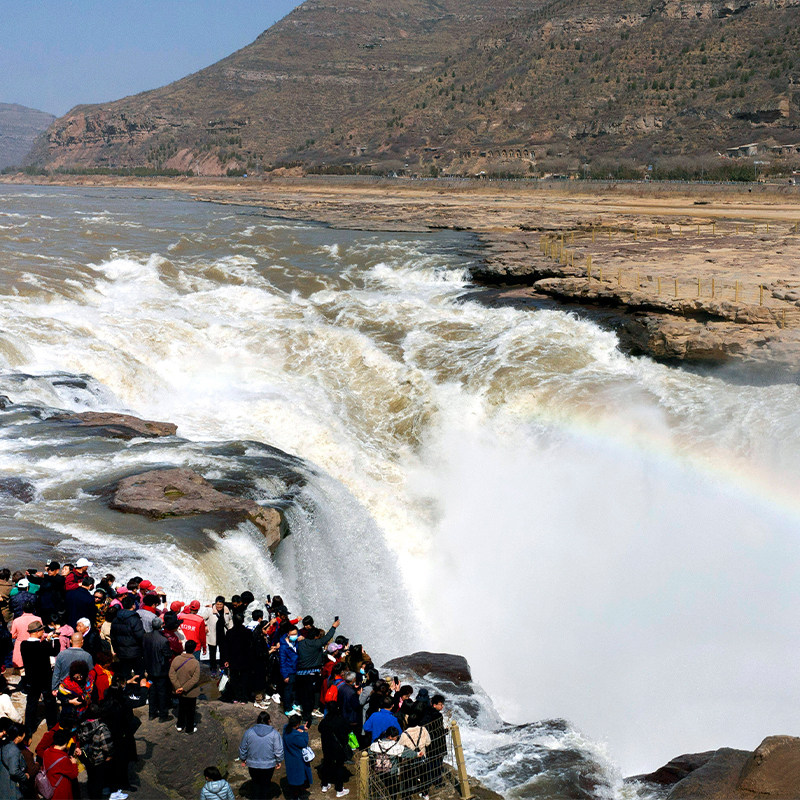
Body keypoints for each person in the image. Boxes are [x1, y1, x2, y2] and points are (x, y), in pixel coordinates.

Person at [295, 618, 340, 724]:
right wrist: (334, 627)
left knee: (304, 695)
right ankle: (307, 717)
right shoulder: (316, 643)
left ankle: (305, 713)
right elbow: (327, 637)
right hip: (311, 675)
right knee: (309, 696)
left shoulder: (300, 643)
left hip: (299, 674)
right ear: (315, 637)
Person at [19, 618, 59, 733]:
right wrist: (55, 638)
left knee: (31, 704)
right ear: (37, 632)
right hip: (45, 679)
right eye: (42, 630)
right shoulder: (43, 646)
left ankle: (29, 728)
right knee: (50, 703)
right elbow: (55, 651)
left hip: (31, 679)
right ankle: (52, 726)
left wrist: (45, 640)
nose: (43, 632)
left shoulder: (23, 645)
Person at [238, 711, 284, 800]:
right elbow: (278, 750)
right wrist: (279, 761)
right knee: (266, 783)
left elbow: (243, 748)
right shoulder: (274, 733)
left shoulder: (249, 732)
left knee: (255, 783)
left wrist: (243, 758)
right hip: (269, 764)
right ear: (269, 721)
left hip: (253, 764)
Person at [77, 703, 114, 799]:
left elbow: (80, 738)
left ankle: (91, 795)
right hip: (99, 758)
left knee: (91, 778)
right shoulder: (102, 728)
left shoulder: (83, 724)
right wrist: (109, 755)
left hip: (87, 756)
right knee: (99, 780)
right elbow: (107, 746)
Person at [318, 702, 352, 796]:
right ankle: (339, 790)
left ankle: (325, 785)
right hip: (338, 748)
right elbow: (348, 729)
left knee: (326, 764)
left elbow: (320, 729)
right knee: (339, 767)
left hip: (327, 747)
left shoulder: (325, 721)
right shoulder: (341, 720)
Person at [143, 616, 173, 721]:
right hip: (161, 671)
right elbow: (167, 654)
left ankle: (152, 713)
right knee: (162, 693)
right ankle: (163, 715)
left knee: (151, 691)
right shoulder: (163, 640)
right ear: (161, 626)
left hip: (150, 670)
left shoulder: (146, 637)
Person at [169, 640, 201, 734]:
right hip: (191, 691)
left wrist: (178, 686)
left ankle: (180, 725)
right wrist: (184, 688)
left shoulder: (177, 659)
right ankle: (189, 728)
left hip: (178, 690)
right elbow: (195, 679)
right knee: (191, 710)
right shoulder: (195, 662)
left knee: (181, 707)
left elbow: (171, 674)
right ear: (194, 649)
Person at [110, 594, 144, 679]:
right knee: (138, 674)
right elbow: (140, 636)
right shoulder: (135, 619)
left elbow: (113, 637)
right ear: (133, 605)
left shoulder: (116, 619)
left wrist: (116, 650)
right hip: (135, 653)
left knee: (125, 675)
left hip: (121, 652)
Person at [41, 728, 81, 800]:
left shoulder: (46, 752)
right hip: (61, 791)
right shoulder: (63, 759)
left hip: (50, 787)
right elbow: (74, 774)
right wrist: (74, 763)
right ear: (66, 743)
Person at [282, 714, 313, 799]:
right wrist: (304, 732)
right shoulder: (295, 736)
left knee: (293, 777)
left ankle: (295, 795)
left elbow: (292, 727)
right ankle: (297, 796)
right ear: (297, 724)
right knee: (298, 779)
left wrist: (303, 727)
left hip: (289, 758)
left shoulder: (286, 729)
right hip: (297, 760)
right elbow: (304, 743)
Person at [222, 615, 251, 704]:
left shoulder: (229, 632)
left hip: (233, 659)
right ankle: (244, 698)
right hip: (245, 659)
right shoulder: (248, 632)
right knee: (244, 679)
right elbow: (250, 647)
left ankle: (236, 697)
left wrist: (226, 660)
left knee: (234, 679)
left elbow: (226, 648)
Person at [420, 695, 448, 787]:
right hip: (437, 743)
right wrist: (446, 731)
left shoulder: (425, 712)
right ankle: (437, 782)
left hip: (427, 741)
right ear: (434, 705)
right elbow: (438, 731)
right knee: (437, 763)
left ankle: (428, 780)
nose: (442, 706)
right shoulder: (438, 716)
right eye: (440, 704)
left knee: (430, 762)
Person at [202, 597, 232, 675]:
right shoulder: (209, 610)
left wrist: (230, 629)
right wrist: (205, 625)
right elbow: (202, 619)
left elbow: (230, 620)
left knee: (223, 652)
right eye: (217, 604)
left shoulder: (227, 611)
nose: (219, 606)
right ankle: (213, 668)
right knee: (212, 653)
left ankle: (222, 666)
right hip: (212, 635)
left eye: (221, 604)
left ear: (223, 604)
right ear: (215, 604)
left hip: (223, 635)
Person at [0, 721, 27, 800]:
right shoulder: (14, 750)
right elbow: (13, 771)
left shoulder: (4, 744)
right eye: (23, 736)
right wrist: (24, 776)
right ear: (18, 737)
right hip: (10, 788)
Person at [10, 600, 41, 667]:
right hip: (35, 646)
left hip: (20, 646)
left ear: (23, 609)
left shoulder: (16, 620)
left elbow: (12, 635)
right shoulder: (38, 619)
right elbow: (41, 633)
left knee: (21, 669)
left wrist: (18, 635)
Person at [279, 625, 300, 712]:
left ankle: (294, 704)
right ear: (288, 634)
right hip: (289, 671)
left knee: (294, 689)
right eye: (292, 634)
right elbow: (282, 662)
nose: (295, 636)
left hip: (296, 669)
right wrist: (285, 675)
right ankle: (288, 709)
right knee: (288, 690)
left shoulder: (296, 641)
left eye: (296, 634)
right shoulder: (284, 647)